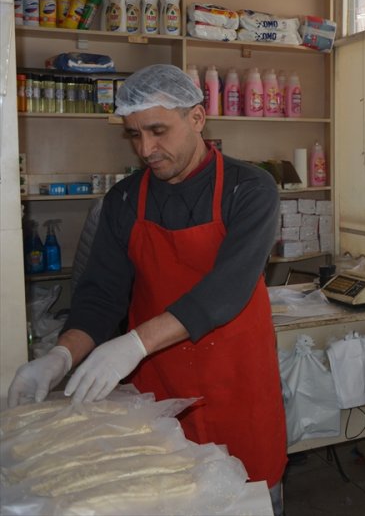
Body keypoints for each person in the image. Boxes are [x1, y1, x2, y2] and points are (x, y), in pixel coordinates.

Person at [7, 64, 287, 513]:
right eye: (134, 134)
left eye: (158, 131)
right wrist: (61, 356)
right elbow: (101, 296)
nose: (146, 149)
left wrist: (133, 344)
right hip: (156, 396)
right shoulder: (123, 199)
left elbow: (226, 289)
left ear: (197, 118)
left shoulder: (250, 189)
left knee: (248, 498)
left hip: (238, 384)